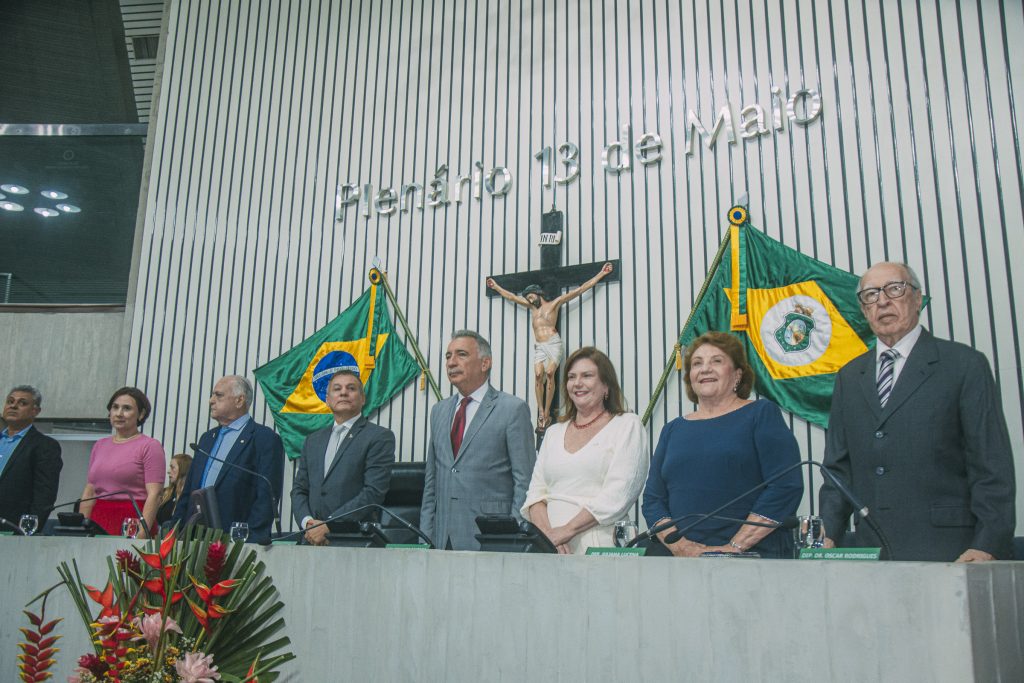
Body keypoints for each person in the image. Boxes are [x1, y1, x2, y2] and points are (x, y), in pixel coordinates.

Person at [819, 262, 1016, 561]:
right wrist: (829, 534)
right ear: (863, 310)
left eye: (894, 289)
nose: (882, 301)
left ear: (917, 298)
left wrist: (987, 543)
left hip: (950, 549)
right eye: (870, 295)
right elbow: (838, 470)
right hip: (871, 551)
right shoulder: (849, 376)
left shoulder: (964, 364)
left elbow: (991, 463)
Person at [642, 332, 804, 558]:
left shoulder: (761, 414)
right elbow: (653, 499)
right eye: (697, 363)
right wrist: (681, 547)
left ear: (738, 374)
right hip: (676, 559)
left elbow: (785, 487)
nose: (705, 368)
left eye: (716, 361)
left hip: (749, 558)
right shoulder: (672, 429)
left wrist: (733, 548)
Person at [521, 347, 649, 554]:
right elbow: (535, 494)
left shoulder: (627, 425)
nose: (577, 383)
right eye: (571, 377)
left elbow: (619, 494)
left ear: (606, 385)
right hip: (548, 549)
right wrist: (547, 537)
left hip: (600, 545)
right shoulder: (553, 432)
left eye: (587, 376)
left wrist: (566, 531)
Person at [420, 330, 536, 550]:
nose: (451, 362)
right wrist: (424, 537)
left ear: (485, 363)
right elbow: (431, 482)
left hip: (491, 538)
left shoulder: (512, 409)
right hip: (441, 539)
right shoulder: (439, 411)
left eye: (461, 354)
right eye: (447, 356)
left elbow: (525, 481)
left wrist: (512, 536)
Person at [487, 262, 613, 431]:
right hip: (539, 345)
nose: (529, 299)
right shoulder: (532, 309)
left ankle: (547, 412)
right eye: (527, 298)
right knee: (538, 375)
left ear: (539, 294)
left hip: (553, 343)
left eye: (531, 296)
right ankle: (541, 411)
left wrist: (601, 274)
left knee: (549, 373)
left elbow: (580, 290)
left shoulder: (554, 304)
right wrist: (495, 286)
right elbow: (511, 297)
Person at [173, 375, 285, 544]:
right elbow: (189, 490)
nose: (211, 400)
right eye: (212, 395)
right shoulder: (207, 439)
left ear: (240, 400)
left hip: (235, 542)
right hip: (193, 538)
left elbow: (267, 496)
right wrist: (175, 530)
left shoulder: (264, 438)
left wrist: (251, 538)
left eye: (218, 395)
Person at [292, 369, 396, 546]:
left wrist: (329, 525)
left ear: (362, 398)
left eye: (351, 388)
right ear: (328, 399)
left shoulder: (379, 436)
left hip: (351, 540)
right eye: (337, 388)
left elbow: (373, 492)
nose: (343, 392)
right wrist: (308, 523)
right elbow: (299, 490)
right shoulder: (312, 440)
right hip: (309, 540)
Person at [80, 387, 165, 537]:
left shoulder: (150, 446)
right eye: (115, 407)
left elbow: (155, 494)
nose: (119, 413)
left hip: (132, 521)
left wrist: (142, 533)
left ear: (141, 414)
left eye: (127, 408)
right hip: (97, 520)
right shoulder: (100, 445)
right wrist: (81, 527)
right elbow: (90, 490)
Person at [0, 385, 63, 528]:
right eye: (10, 401)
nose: (13, 406)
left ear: (35, 411)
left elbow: (44, 496)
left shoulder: (44, 446)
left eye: (22, 403)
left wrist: (29, 529)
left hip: (12, 528)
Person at [156, 453, 192, 527]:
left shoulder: (190, 496)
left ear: (183, 470)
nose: (168, 471)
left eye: (172, 468)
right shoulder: (166, 493)